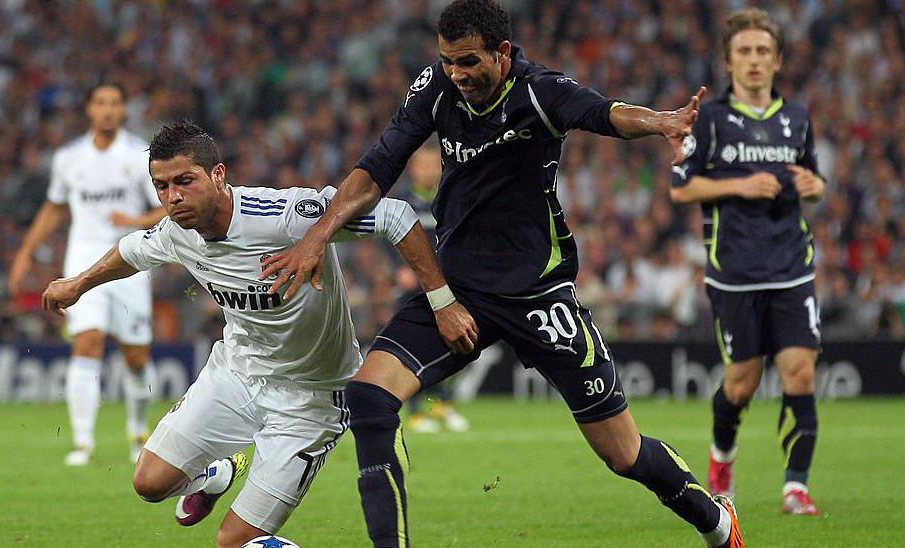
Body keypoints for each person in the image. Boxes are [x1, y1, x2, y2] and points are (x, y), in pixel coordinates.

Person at [262, 1, 743, 546]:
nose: (458, 75)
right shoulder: (437, 88)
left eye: (469, 62)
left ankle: (717, 521)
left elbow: (605, 113)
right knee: (370, 398)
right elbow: (378, 166)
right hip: (459, 290)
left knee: (623, 453)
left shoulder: (541, 91)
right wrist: (317, 237)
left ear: (503, 52)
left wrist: (659, 122)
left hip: (539, 296)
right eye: (448, 61)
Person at [41, 121, 475, 548]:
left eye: (184, 181)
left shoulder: (286, 217)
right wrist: (77, 283)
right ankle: (216, 474)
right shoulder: (179, 233)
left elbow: (397, 217)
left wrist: (442, 302)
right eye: (162, 186)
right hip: (236, 374)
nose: (173, 197)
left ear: (218, 174)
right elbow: (131, 251)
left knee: (232, 544)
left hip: (312, 401)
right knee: (149, 483)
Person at [669, 8, 824, 516]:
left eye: (763, 52)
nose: (754, 60)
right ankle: (721, 459)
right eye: (744, 52)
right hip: (734, 272)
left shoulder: (797, 117)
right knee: (742, 384)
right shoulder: (709, 119)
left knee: (800, 372)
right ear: (729, 61)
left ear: (777, 61)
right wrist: (738, 183)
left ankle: (795, 487)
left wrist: (814, 185)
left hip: (792, 265)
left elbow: (815, 180)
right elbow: (680, 186)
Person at [8, 82, 165, 466]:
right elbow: (54, 208)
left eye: (115, 103)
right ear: (89, 110)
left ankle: (137, 431)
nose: (108, 110)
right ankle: (82, 443)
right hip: (81, 264)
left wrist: (136, 220)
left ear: (124, 111)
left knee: (136, 357)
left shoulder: (140, 154)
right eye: (101, 103)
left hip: (130, 261)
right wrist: (25, 254)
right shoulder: (69, 158)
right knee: (88, 341)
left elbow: (166, 205)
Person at [397, 145, 469, 433]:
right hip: (412, 288)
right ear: (413, 170)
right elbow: (388, 238)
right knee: (412, 347)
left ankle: (440, 403)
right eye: (422, 165)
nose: (428, 171)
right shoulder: (403, 201)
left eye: (433, 165)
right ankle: (415, 412)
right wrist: (398, 268)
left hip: (444, 286)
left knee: (450, 345)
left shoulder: (448, 198)